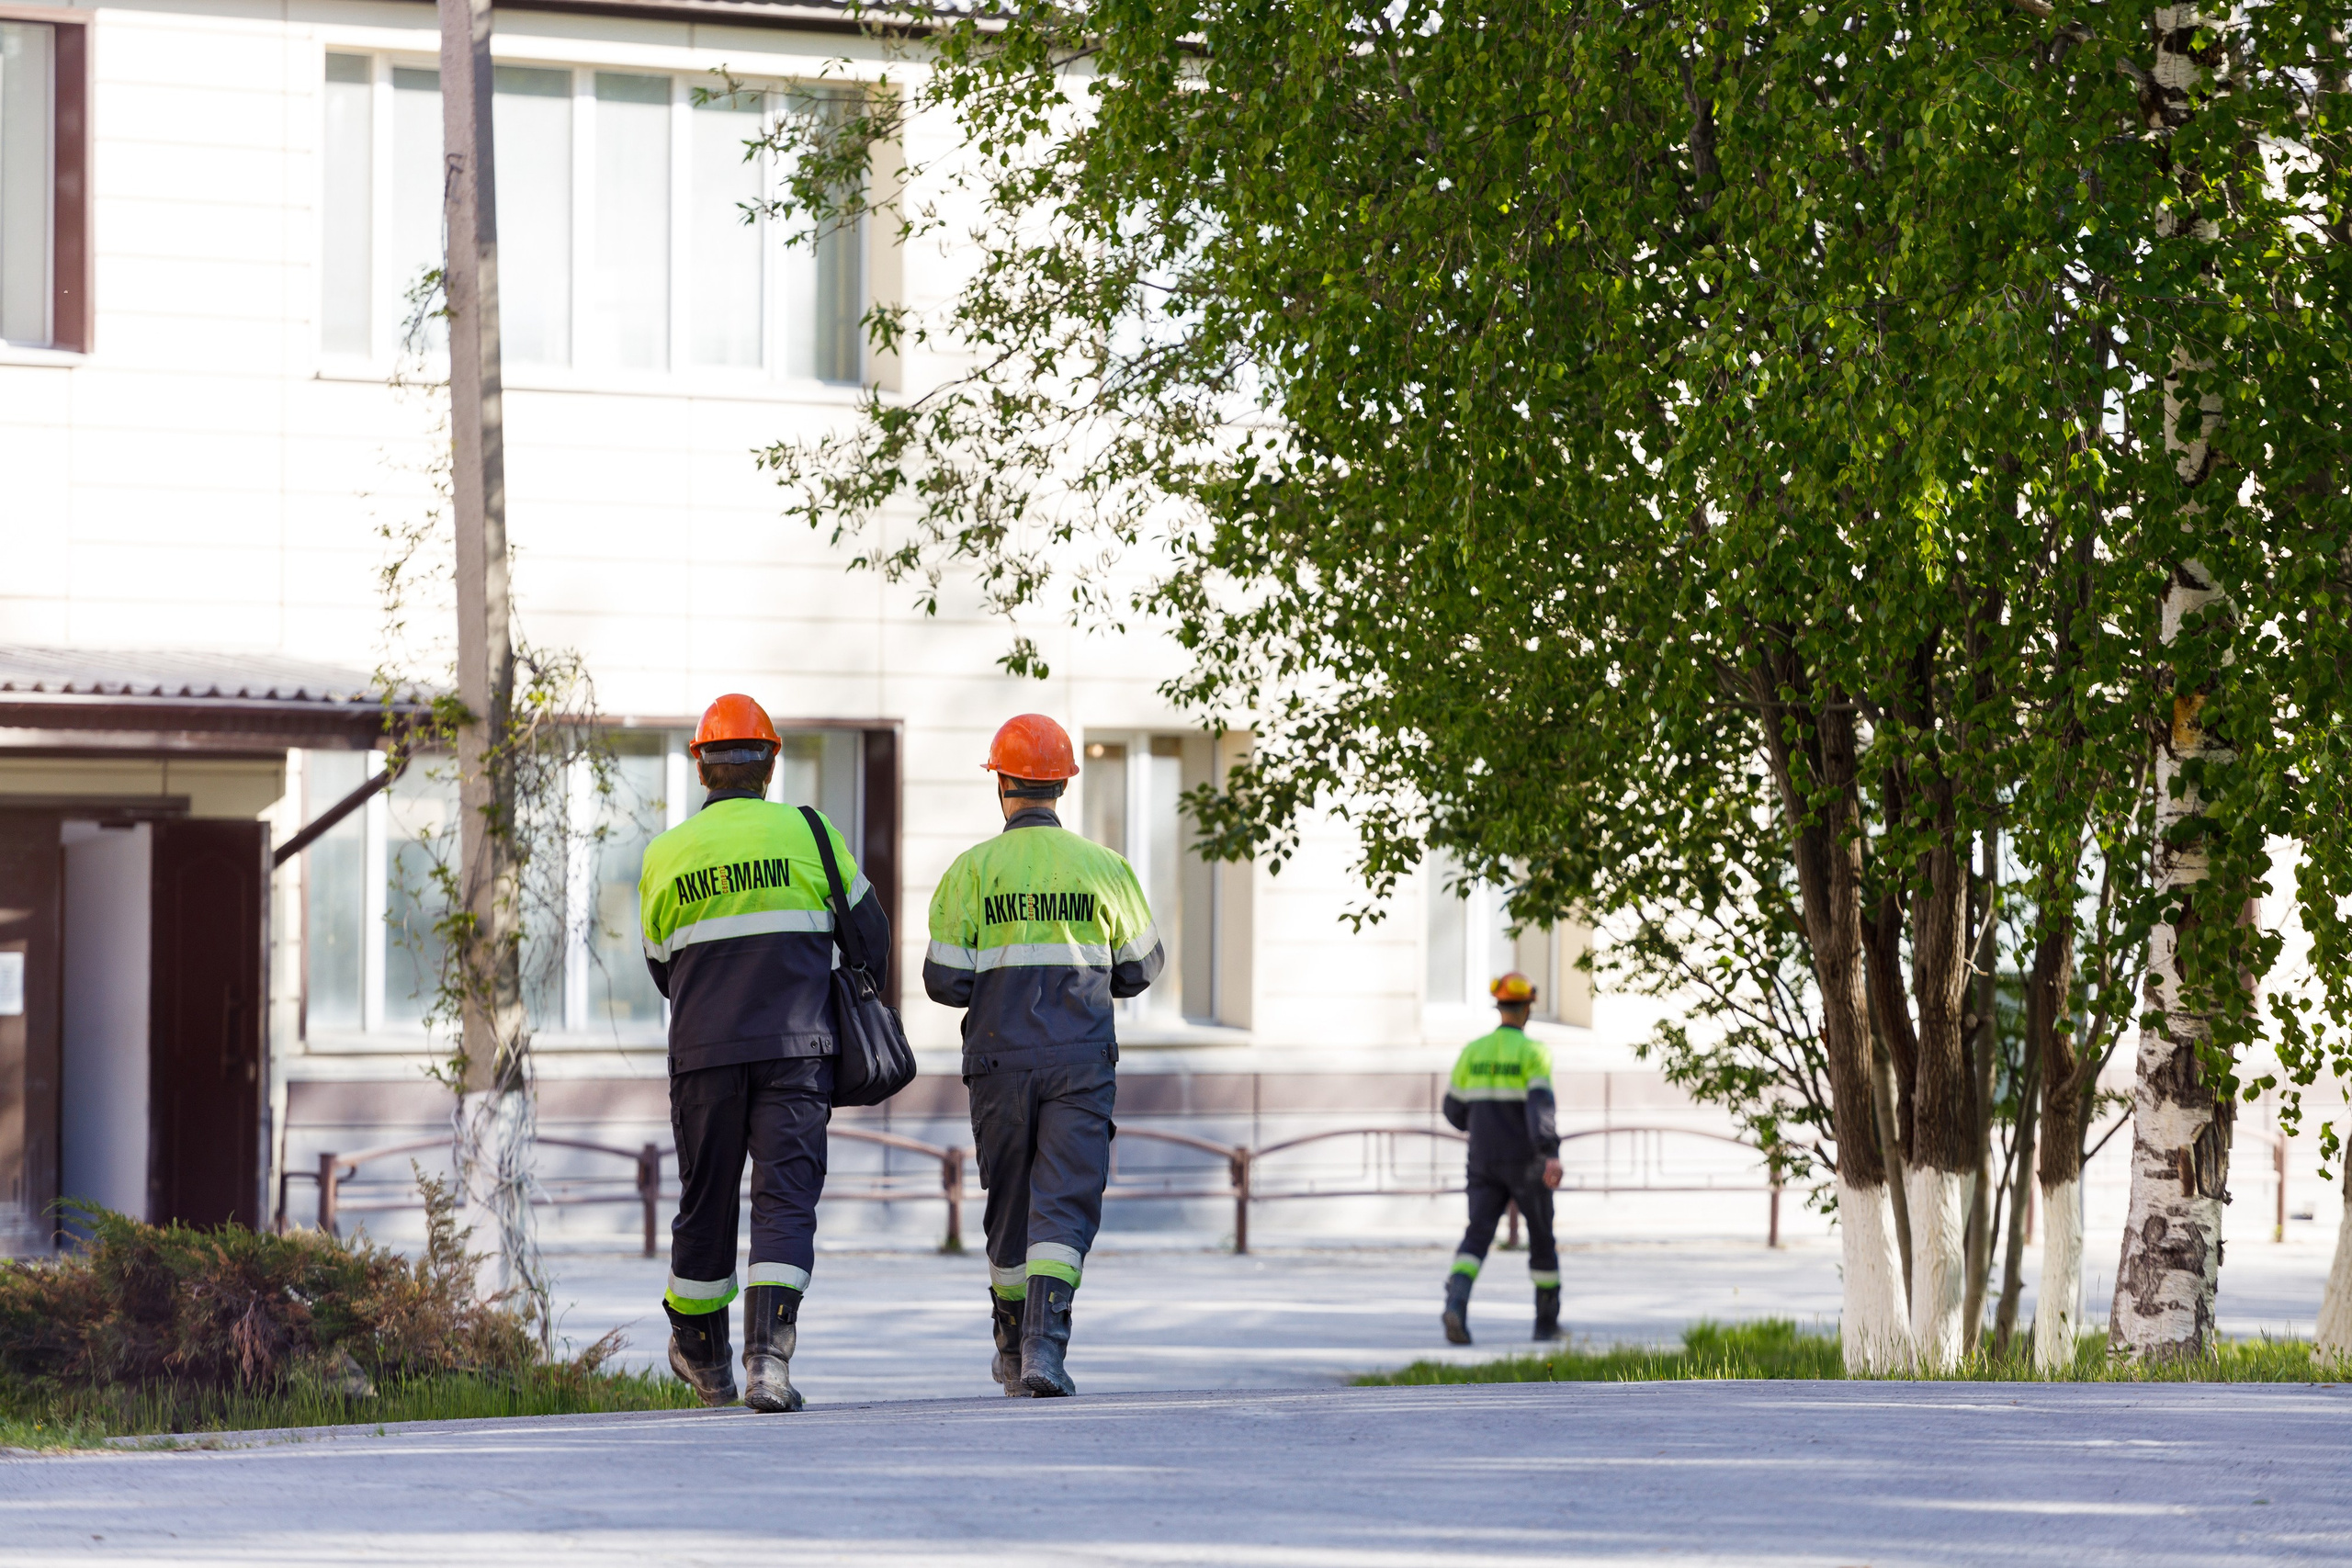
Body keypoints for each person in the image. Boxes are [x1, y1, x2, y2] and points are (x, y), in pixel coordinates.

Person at [639, 694, 890, 1412]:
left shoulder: (666, 853)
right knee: (784, 1202)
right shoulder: (811, 835)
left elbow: (661, 969)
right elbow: (871, 939)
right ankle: (768, 1364)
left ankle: (702, 1353)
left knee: (705, 1199)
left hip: (703, 1052)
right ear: (771, 763)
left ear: (701, 767)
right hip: (798, 1050)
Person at [922, 714, 1164, 1397]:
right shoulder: (1105, 868)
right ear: (1062, 784)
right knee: (1065, 1201)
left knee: (1011, 1204)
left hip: (999, 1061)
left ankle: (1010, 1338)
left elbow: (944, 981)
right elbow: (1142, 967)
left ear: (1001, 783)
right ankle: (1045, 1349)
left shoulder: (971, 871)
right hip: (1081, 1061)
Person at [1439, 972, 1564, 1345]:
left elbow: (1452, 1110)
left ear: (1499, 1007)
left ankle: (1456, 1304)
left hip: (1482, 1159)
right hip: (1526, 1162)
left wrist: (1480, 1125)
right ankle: (1545, 1326)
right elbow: (1541, 1108)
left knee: (1477, 1235)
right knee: (1541, 1238)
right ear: (1527, 1009)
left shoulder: (1472, 1051)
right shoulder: (1534, 1053)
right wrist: (1550, 1155)